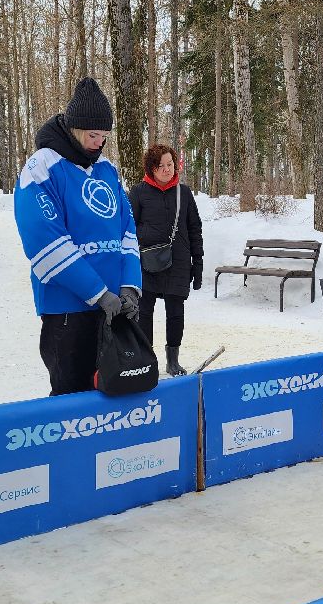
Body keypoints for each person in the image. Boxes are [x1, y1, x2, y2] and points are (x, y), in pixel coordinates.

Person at [15, 77, 142, 396]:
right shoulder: (41, 167)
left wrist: (129, 287)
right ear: (74, 129)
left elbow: (127, 231)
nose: (99, 142)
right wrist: (98, 293)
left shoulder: (107, 169)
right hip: (68, 312)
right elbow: (45, 242)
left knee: (116, 391)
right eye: (93, 135)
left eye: (104, 136)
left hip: (114, 309)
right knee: (71, 396)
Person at [129, 144, 204, 377]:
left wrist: (198, 264)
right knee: (145, 312)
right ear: (151, 168)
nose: (166, 169)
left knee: (175, 313)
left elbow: (195, 229)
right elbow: (128, 231)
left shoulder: (184, 193)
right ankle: (147, 360)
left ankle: (173, 361)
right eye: (160, 165)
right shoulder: (138, 192)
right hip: (147, 263)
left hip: (179, 262)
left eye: (169, 164)